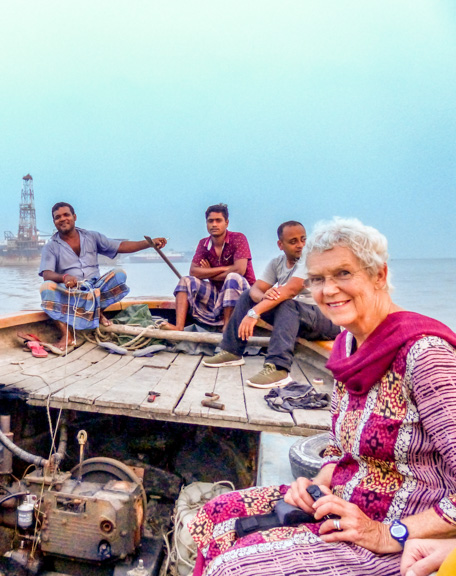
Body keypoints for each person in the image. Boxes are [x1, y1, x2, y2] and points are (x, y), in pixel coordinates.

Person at [187, 217, 456, 576]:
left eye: (344, 273)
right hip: (341, 502)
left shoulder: (426, 356)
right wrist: (318, 481)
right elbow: (340, 446)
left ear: (379, 275)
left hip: (403, 531)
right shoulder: (347, 345)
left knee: (235, 569)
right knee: (213, 517)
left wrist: (388, 534)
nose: (328, 290)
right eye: (317, 279)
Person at [201, 221, 340, 388]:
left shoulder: (309, 261)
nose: (300, 245)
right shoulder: (277, 263)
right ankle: (231, 351)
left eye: (303, 240)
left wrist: (253, 313)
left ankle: (278, 367)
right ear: (280, 245)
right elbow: (255, 289)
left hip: (327, 319)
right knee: (247, 296)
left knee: (287, 304)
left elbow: (290, 291)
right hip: (299, 318)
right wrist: (262, 297)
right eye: (293, 241)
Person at [38, 202, 166, 351]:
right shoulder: (51, 246)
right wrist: (65, 277)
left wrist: (149, 243)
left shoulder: (92, 236)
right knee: (46, 287)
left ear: (74, 217)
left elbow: (121, 246)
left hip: (95, 287)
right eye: (57, 217)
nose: (62, 219)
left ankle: (98, 312)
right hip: (73, 291)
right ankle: (67, 335)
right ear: (54, 222)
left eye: (66, 215)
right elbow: (47, 274)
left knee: (119, 274)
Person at [162, 204, 255, 331]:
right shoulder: (203, 244)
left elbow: (239, 269)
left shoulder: (238, 238)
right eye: (210, 221)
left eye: (218, 220)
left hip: (244, 295)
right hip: (217, 294)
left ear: (226, 223)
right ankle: (179, 327)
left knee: (232, 277)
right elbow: (193, 271)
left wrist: (207, 272)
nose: (214, 224)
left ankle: (227, 327)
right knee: (186, 280)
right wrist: (224, 268)